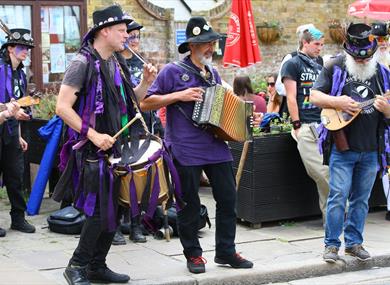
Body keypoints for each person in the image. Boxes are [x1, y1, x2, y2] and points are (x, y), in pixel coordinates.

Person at [141, 16, 254, 274]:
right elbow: (146, 103)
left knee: (228, 198)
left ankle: (226, 251)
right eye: (205, 43)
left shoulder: (212, 73)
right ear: (191, 45)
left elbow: (225, 106)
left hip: (215, 146)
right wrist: (178, 95)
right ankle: (193, 255)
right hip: (184, 148)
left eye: (212, 43)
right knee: (188, 203)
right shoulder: (172, 71)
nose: (210, 48)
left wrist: (247, 116)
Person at [54, 5, 156, 285]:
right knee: (99, 212)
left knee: (118, 207)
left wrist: (146, 83)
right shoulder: (82, 63)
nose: (128, 36)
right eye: (123, 31)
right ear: (105, 31)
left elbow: (133, 101)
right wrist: (93, 135)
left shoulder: (116, 62)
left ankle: (96, 266)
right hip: (92, 151)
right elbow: (62, 107)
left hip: (117, 147)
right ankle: (76, 266)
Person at [310, 23, 390, 263]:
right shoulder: (335, 66)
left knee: (361, 199)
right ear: (350, 53)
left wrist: (387, 110)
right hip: (342, 147)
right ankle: (332, 245)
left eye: (367, 58)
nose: (364, 61)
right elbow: (314, 96)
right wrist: (338, 102)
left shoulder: (383, 73)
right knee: (338, 196)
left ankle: (354, 243)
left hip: (371, 148)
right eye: (359, 58)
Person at [281, 26, 329, 221]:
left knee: (329, 172)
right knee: (321, 172)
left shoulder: (320, 64)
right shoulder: (292, 64)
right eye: (317, 44)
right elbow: (291, 97)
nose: (320, 48)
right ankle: (338, 214)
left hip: (323, 123)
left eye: (322, 45)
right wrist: (297, 125)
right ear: (305, 43)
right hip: (306, 126)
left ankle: (332, 220)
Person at [113, 20, 147, 245]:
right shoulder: (113, 62)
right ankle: (114, 225)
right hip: (117, 126)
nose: (133, 40)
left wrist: (148, 80)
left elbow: (143, 98)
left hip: (137, 126)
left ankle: (136, 225)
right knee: (116, 175)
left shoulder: (138, 63)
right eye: (129, 35)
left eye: (136, 36)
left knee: (136, 176)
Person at [0, 26, 36, 236]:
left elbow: (18, 105)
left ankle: (18, 218)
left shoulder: (21, 75)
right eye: (22, 47)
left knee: (15, 176)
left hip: (13, 131)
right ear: (10, 48)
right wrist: (7, 110)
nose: (26, 51)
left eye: (28, 48)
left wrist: (20, 134)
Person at [276, 24, 324, 115]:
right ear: (304, 41)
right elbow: (279, 86)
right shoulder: (291, 58)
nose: (319, 47)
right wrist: (300, 93)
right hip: (295, 110)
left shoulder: (319, 60)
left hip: (314, 112)